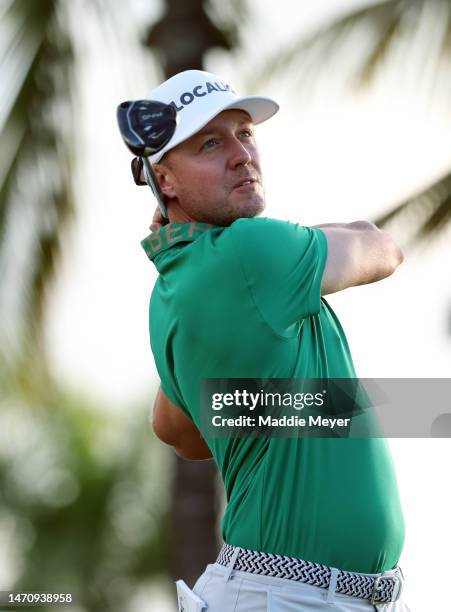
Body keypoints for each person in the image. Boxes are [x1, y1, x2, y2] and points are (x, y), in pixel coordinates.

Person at [135, 69, 410, 611]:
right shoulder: (251, 253)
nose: (241, 154)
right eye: (210, 143)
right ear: (165, 180)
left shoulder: (173, 291)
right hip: (285, 597)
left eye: (246, 134)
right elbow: (382, 248)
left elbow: (176, 431)